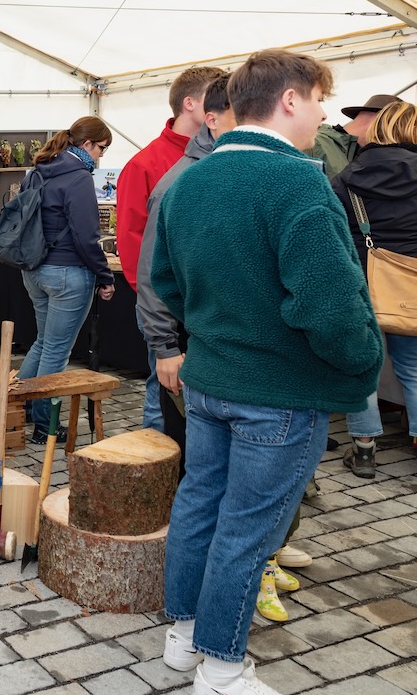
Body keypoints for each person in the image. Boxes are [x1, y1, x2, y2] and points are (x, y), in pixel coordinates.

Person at [152, 49, 382, 695]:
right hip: (276, 392)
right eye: (318, 101)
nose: (322, 115)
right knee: (247, 529)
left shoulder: (188, 180)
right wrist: (364, 359)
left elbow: (167, 281)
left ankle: (184, 638)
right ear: (289, 99)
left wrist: (219, 325)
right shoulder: (297, 183)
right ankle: (222, 669)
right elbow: (329, 305)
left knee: (200, 504)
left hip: (210, 380)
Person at [117, 66, 225, 432]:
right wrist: (155, 302)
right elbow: (131, 238)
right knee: (163, 391)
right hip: (165, 307)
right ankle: (160, 454)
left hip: (203, 309)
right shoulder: (144, 164)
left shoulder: (220, 156)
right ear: (190, 103)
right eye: (214, 95)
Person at [331, 99, 417, 478]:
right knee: (413, 367)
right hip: (411, 286)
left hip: (359, 283)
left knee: (362, 367)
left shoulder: (346, 177)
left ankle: (364, 451)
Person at [16, 116, 115, 443]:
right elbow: (87, 237)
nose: (101, 156)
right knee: (56, 350)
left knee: (44, 342)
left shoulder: (39, 170)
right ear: (87, 144)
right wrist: (105, 276)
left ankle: (21, 406)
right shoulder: (78, 178)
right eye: (101, 148)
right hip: (67, 273)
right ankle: (44, 424)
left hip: (34, 269)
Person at [310, 93, 401, 178]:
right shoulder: (316, 144)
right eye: (397, 128)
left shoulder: (359, 159)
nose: (396, 139)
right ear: (379, 119)